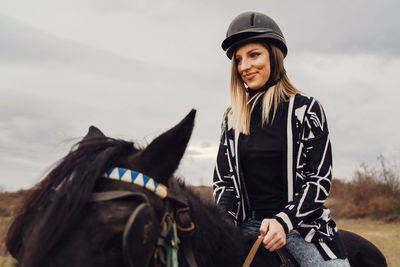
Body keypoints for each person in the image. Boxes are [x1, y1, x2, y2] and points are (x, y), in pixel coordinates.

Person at [213, 11, 350, 266]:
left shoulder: (306, 110)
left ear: (274, 56)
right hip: (246, 226)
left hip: (300, 228)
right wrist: (224, 228)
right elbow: (225, 184)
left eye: (254, 55)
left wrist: (282, 221)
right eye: (238, 59)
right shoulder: (231, 119)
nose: (244, 66)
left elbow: (318, 180)